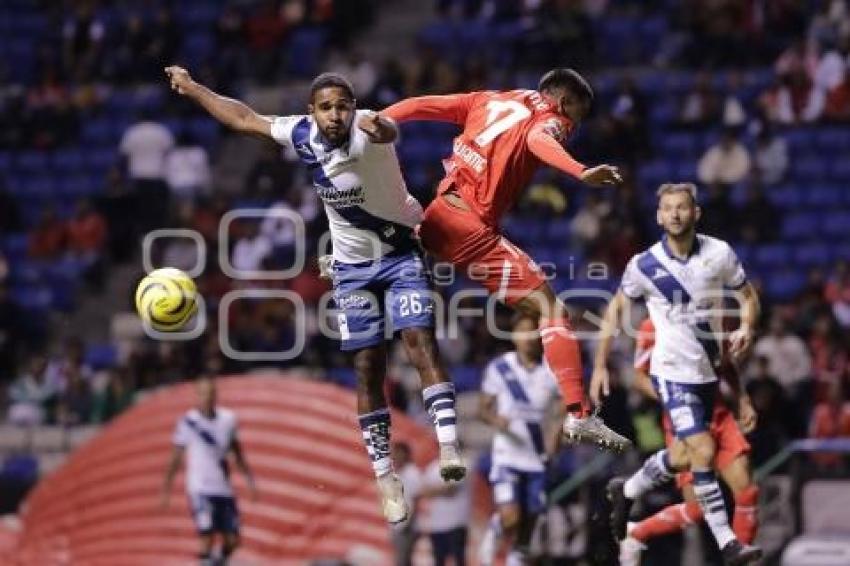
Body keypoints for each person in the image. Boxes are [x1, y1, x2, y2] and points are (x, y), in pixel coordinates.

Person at [164, 66, 465, 524]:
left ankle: (448, 444)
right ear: (312, 112)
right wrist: (193, 88)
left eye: (344, 106)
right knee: (367, 367)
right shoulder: (302, 133)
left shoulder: (369, 130)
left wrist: (379, 123)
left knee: (417, 339)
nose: (336, 114)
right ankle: (385, 477)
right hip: (350, 269)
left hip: (402, 253)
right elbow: (244, 119)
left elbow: (387, 128)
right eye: (327, 107)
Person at [374, 68, 629, 451]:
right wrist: (581, 172)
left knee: (411, 250)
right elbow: (540, 139)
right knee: (552, 310)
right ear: (564, 101)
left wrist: (381, 117)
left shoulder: (489, 98)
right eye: (577, 116)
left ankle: (362, 258)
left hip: (439, 211)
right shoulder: (549, 117)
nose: (573, 126)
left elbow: (425, 105)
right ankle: (579, 415)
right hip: (470, 229)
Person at [590, 183, 762, 565]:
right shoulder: (645, 266)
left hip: (710, 385)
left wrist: (746, 331)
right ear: (658, 216)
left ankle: (629, 489)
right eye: (668, 208)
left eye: (683, 207)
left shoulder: (719, 255)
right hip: (672, 378)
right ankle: (728, 544)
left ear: (695, 213)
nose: (676, 214)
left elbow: (744, 305)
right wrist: (600, 365)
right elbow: (615, 310)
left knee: (739, 484)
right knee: (701, 452)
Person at [617, 318, 760, 566]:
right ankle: (638, 532)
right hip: (683, 418)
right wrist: (674, 398)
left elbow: (724, 363)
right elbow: (638, 378)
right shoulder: (654, 325)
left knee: (747, 492)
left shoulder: (716, 315)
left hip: (719, 414)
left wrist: (742, 398)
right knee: (697, 509)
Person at [478, 314, 563, 566]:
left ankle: (515, 560)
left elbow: (562, 412)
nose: (529, 337)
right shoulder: (500, 368)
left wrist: (556, 434)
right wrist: (495, 420)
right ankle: (496, 527)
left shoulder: (551, 372)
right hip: (508, 455)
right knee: (511, 518)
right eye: (523, 331)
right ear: (514, 335)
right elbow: (483, 409)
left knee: (530, 521)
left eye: (534, 332)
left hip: (537, 456)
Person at [161, 378, 256, 566]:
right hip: (200, 488)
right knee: (207, 534)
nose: (207, 397)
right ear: (197, 396)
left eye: (211, 393)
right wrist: (166, 489)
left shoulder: (227, 419)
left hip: (223, 487)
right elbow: (175, 457)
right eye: (203, 393)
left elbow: (236, 451)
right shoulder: (188, 422)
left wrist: (249, 481)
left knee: (233, 540)